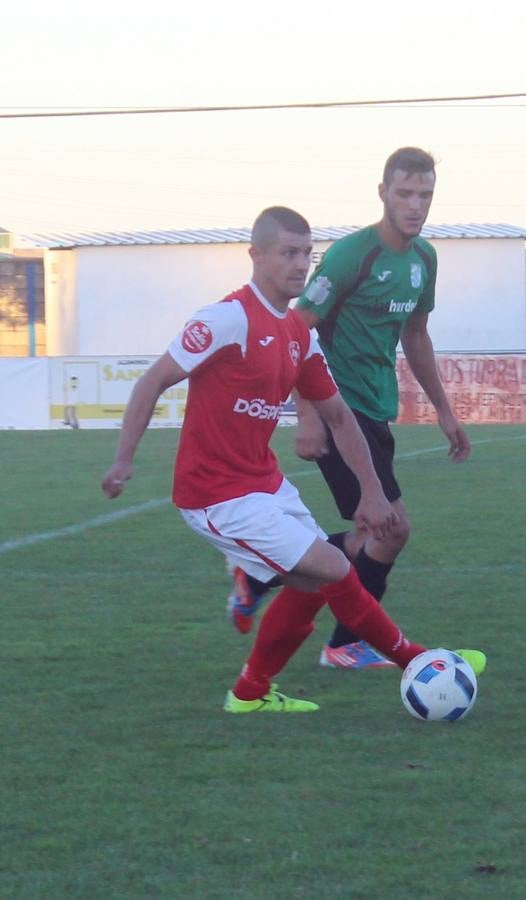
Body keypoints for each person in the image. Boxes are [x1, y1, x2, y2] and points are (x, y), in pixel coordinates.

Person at [100, 206, 483, 713]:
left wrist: (371, 492)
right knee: (332, 566)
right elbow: (153, 380)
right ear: (256, 255)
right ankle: (414, 658)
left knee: (310, 583)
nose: (301, 264)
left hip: (263, 484)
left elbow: (340, 418)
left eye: (306, 253)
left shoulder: (299, 335)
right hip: (214, 494)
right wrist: (124, 460)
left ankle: (250, 693)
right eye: (287, 253)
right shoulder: (226, 319)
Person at [226, 147, 471, 671]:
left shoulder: (424, 259)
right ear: (383, 193)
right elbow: (297, 328)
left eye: (424, 194)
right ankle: (344, 643)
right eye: (404, 193)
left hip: (374, 411)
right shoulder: (350, 256)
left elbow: (417, 335)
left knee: (376, 534)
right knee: (390, 529)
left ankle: (265, 577)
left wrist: (445, 411)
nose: (415, 204)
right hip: (338, 409)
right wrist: (309, 414)